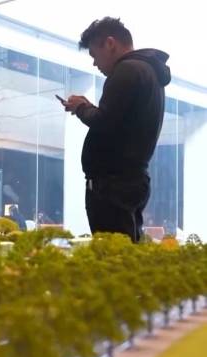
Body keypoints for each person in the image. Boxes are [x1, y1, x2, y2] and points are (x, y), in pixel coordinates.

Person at [63, 17, 170, 243]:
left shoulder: (127, 70)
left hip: (112, 186)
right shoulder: (149, 72)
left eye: (94, 55)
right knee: (126, 249)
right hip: (131, 180)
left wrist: (81, 107)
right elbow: (117, 121)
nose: (95, 64)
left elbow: (104, 121)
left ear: (110, 44)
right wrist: (88, 107)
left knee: (113, 255)